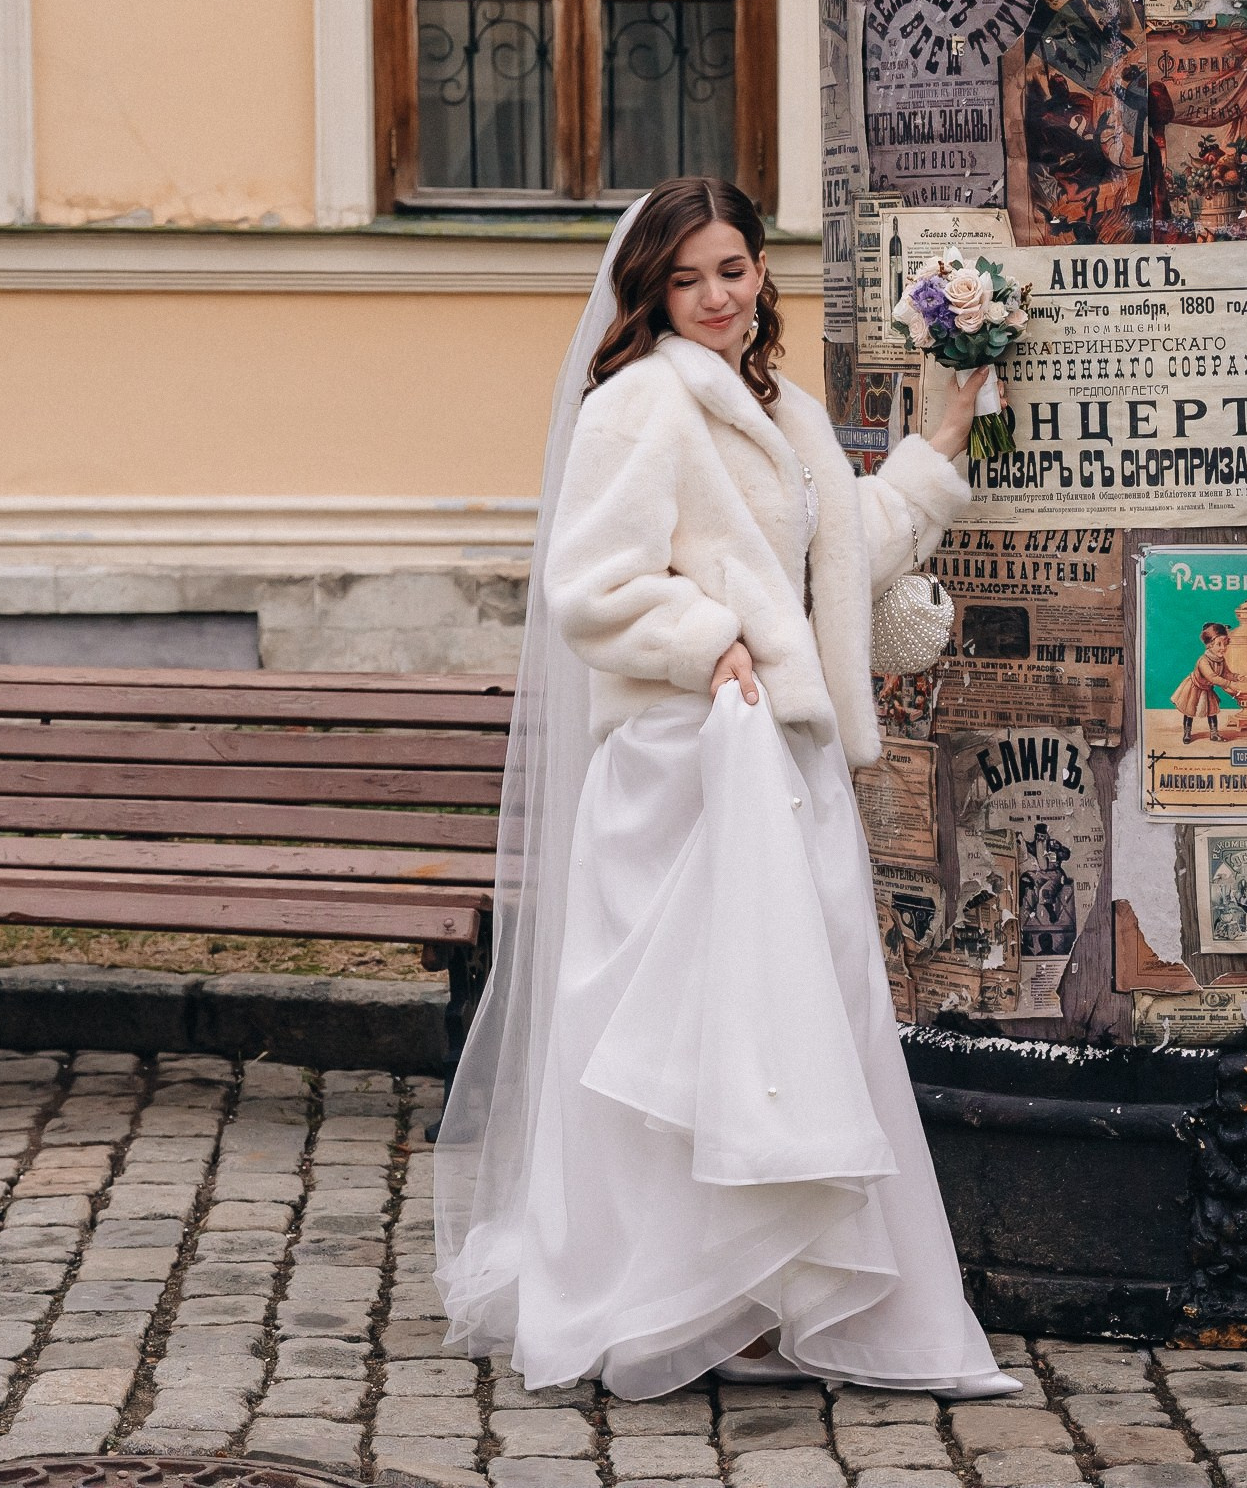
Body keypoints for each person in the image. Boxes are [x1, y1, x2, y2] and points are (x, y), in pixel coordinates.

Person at [431, 177, 1023, 1402]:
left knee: (790, 1019)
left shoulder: (772, 403)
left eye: (736, 269)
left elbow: (827, 550)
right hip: (684, 761)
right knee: (684, 1033)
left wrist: (941, 440)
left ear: (764, 273)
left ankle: (754, 1286)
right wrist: (708, 639)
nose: (716, 296)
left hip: (774, 754)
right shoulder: (641, 402)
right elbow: (589, 584)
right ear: (651, 285)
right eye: (689, 275)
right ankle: (661, 1288)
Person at [1172, 622, 1241, 743]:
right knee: (1190, 711)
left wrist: (1235, 677)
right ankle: (1187, 733)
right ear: (1209, 645)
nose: (1223, 648)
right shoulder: (1203, 661)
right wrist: (1229, 684)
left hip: (1207, 689)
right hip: (1194, 687)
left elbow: (1225, 673)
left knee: (1212, 712)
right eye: (1219, 644)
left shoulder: (1220, 660)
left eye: (1225, 644)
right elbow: (1213, 677)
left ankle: (1214, 734)